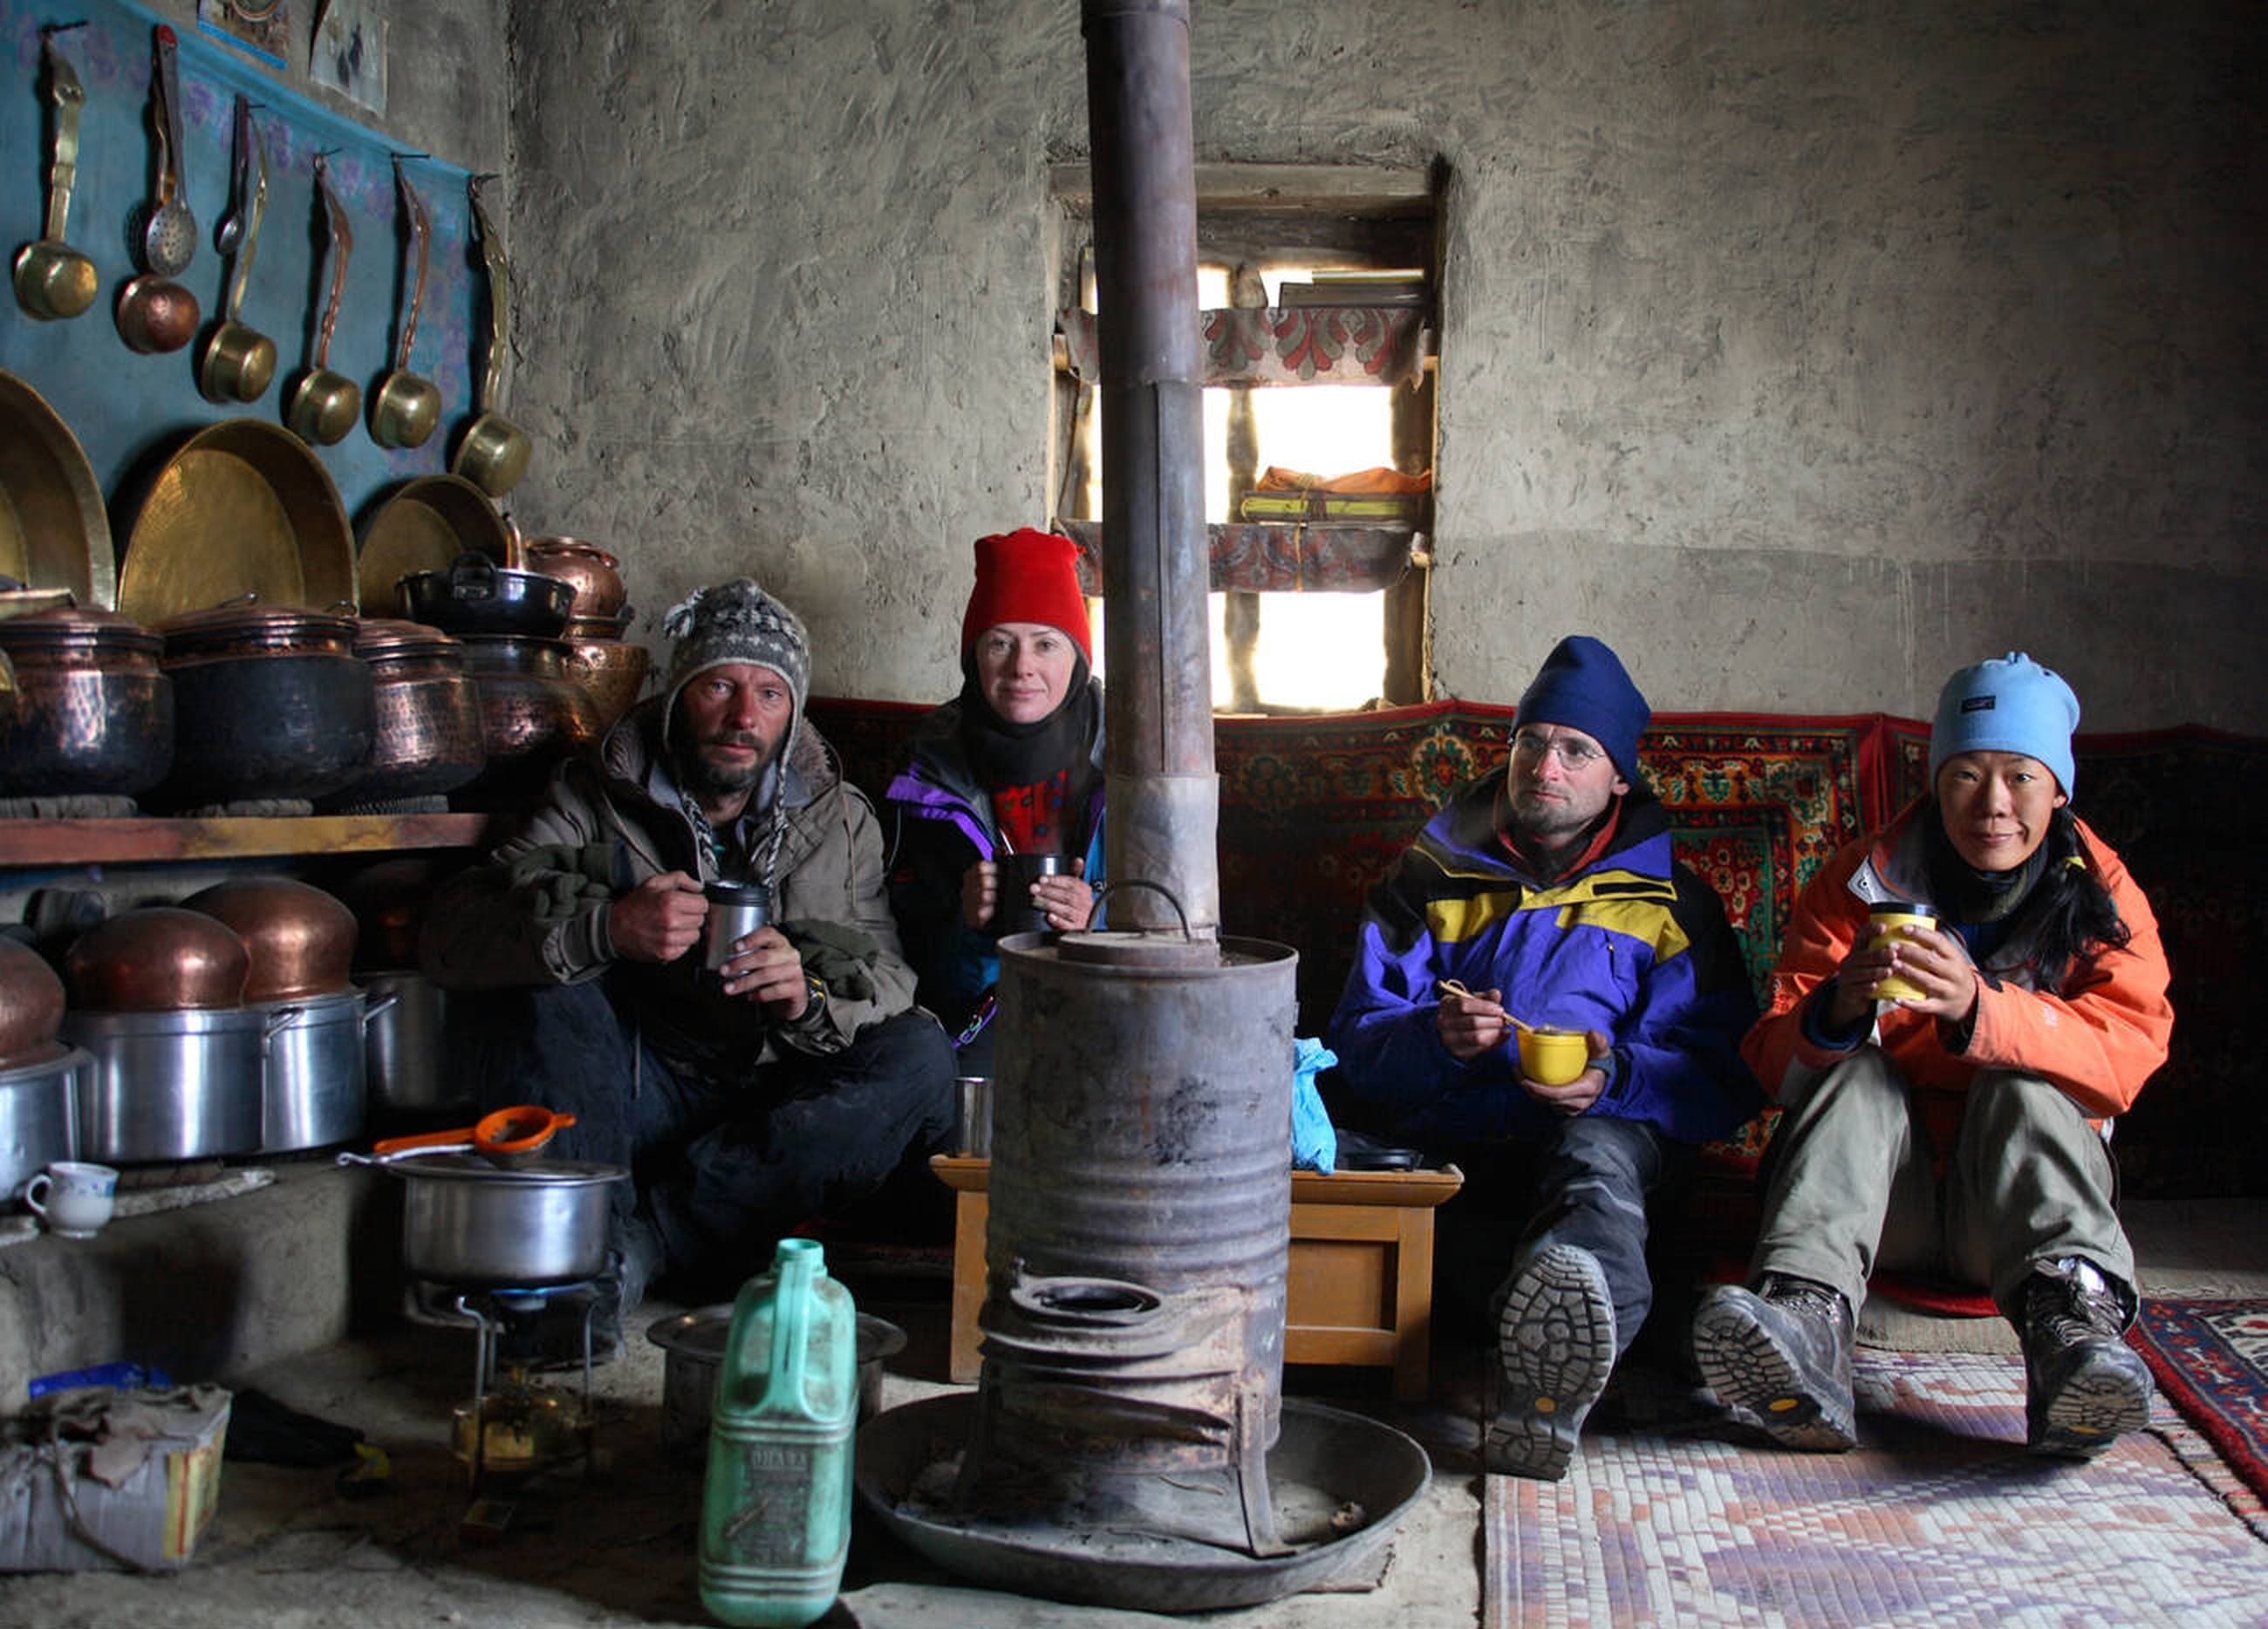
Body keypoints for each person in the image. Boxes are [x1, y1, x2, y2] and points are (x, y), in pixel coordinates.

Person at [420, 577, 956, 1346]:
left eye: (770, 694)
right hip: (638, 1087)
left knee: (918, 1052)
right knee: (543, 989)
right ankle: (590, 1260)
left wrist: (806, 997)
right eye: (720, 686)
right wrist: (607, 929)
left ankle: (639, 1247)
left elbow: (889, 979)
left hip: (777, 1096)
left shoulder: (839, 817)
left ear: (792, 712)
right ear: (679, 697)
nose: (744, 717)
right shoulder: (594, 794)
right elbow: (454, 933)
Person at [1693, 652, 2171, 1460]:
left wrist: (1984, 1013)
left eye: (2020, 777)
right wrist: (1838, 1007)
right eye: (1965, 776)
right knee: (1861, 1074)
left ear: (2058, 791)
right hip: (1880, 1214)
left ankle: (2071, 1338)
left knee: (2022, 1080)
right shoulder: (1862, 882)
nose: (1992, 805)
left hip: (2019, 1218)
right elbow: (1770, 1070)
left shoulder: (2105, 896)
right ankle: (1806, 1321)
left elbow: (2132, 1051)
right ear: (1934, 782)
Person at [1325, 635, 1760, 1479]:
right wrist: (1431, 1037)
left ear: (1618, 777)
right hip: (1447, 1140)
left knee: (1593, 1174)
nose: (1544, 766)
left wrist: (1616, 1075)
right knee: (1330, 1160)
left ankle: (1543, 1394)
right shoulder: (1427, 878)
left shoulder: (1675, 903)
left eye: (1576, 749)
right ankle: (1530, 1339)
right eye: (1530, 741)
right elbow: (1347, 1044)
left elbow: (1720, 1067)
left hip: (1590, 1139)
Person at [884, 528, 1103, 1074]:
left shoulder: (1137, 760)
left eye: (1046, 644)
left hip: (1111, 1008)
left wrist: (1099, 922)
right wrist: (967, 926)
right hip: (977, 1023)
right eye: (1000, 643)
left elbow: (1195, 933)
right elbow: (894, 961)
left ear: (1078, 658)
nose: (1021, 667)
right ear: (974, 658)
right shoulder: (929, 770)